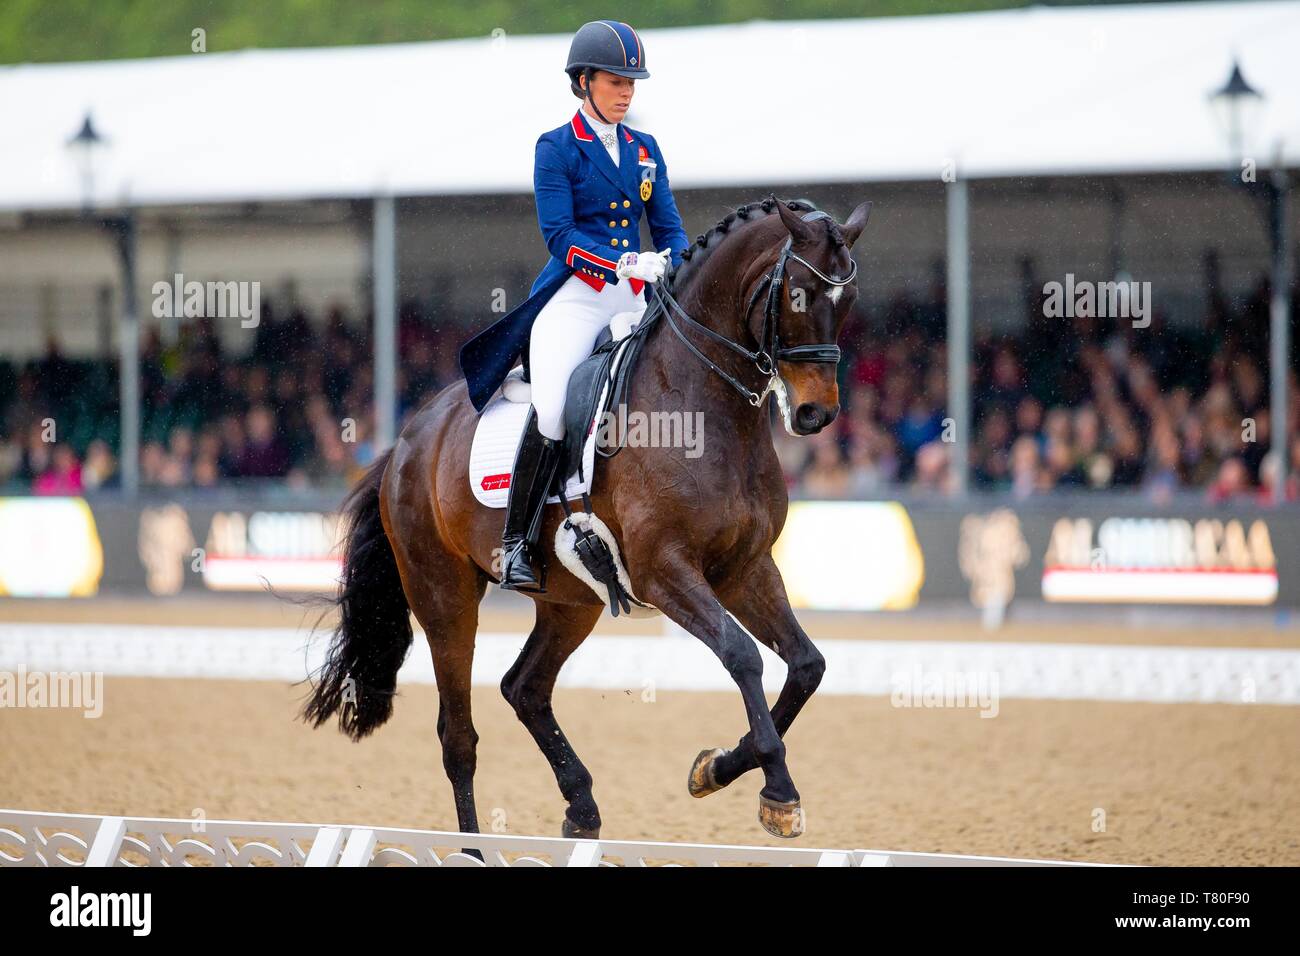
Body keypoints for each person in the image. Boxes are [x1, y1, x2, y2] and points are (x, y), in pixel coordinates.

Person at [459, 20, 689, 592]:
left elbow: (670, 227)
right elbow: (559, 236)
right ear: (583, 81)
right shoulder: (556, 148)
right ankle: (516, 540)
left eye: (632, 82)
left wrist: (677, 265)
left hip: (635, 296)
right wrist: (623, 262)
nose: (627, 91)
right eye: (616, 81)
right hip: (578, 293)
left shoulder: (645, 149)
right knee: (557, 404)